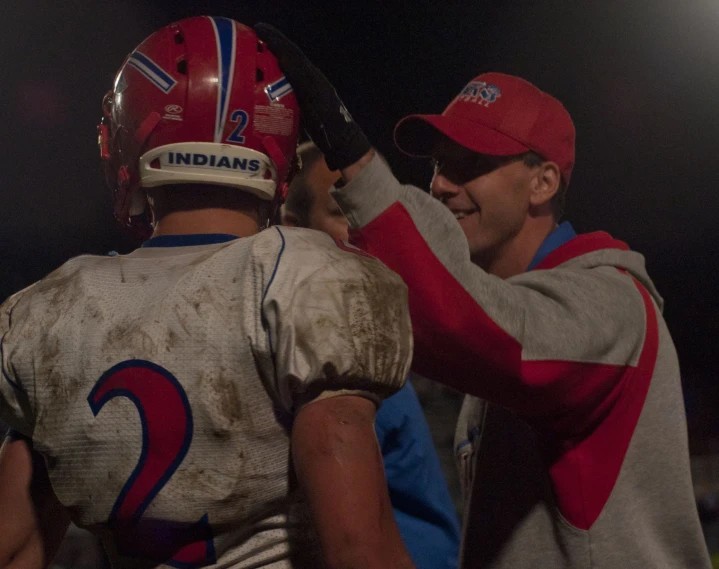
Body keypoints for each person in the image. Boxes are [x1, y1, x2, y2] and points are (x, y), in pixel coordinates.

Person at [254, 24, 713, 569]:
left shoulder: (610, 303)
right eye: (439, 166)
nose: (442, 185)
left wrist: (355, 161)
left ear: (542, 183)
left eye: (471, 164)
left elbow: (466, 324)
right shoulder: (515, 313)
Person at [0, 17, 416, 569]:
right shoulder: (303, 279)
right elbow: (359, 549)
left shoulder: (52, 308)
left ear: (129, 139)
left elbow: (14, 547)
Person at [282, 142, 461, 569]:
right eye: (346, 210)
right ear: (293, 227)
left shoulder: (364, 342)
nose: (371, 227)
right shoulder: (328, 338)